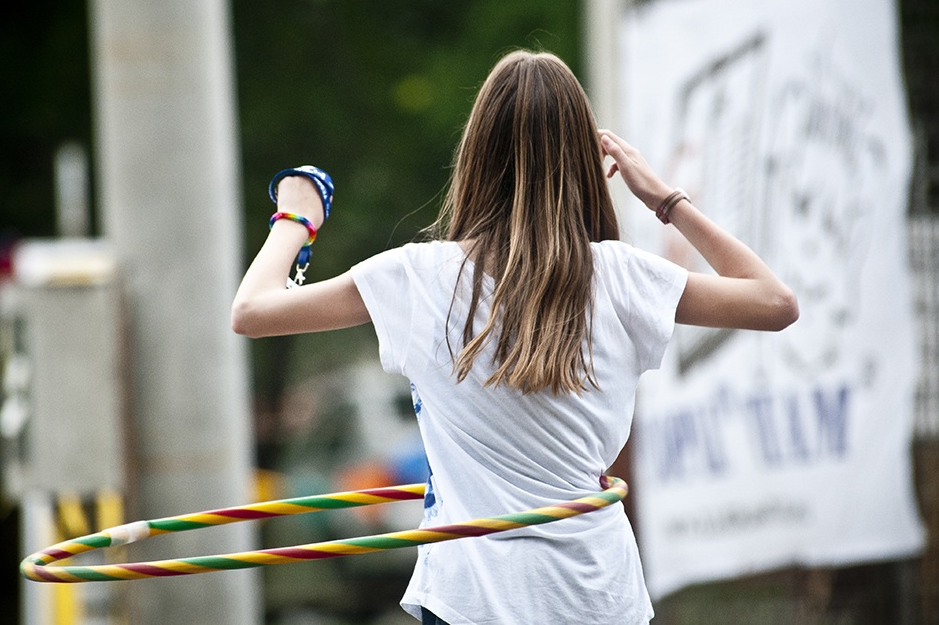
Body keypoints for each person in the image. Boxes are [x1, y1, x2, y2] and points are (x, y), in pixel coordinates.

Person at [232, 49, 798, 624]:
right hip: (599, 598)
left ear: (475, 154)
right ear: (582, 157)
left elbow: (252, 311)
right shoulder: (625, 277)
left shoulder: (416, 278)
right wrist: (664, 200)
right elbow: (776, 302)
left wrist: (298, 217)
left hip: (472, 602)